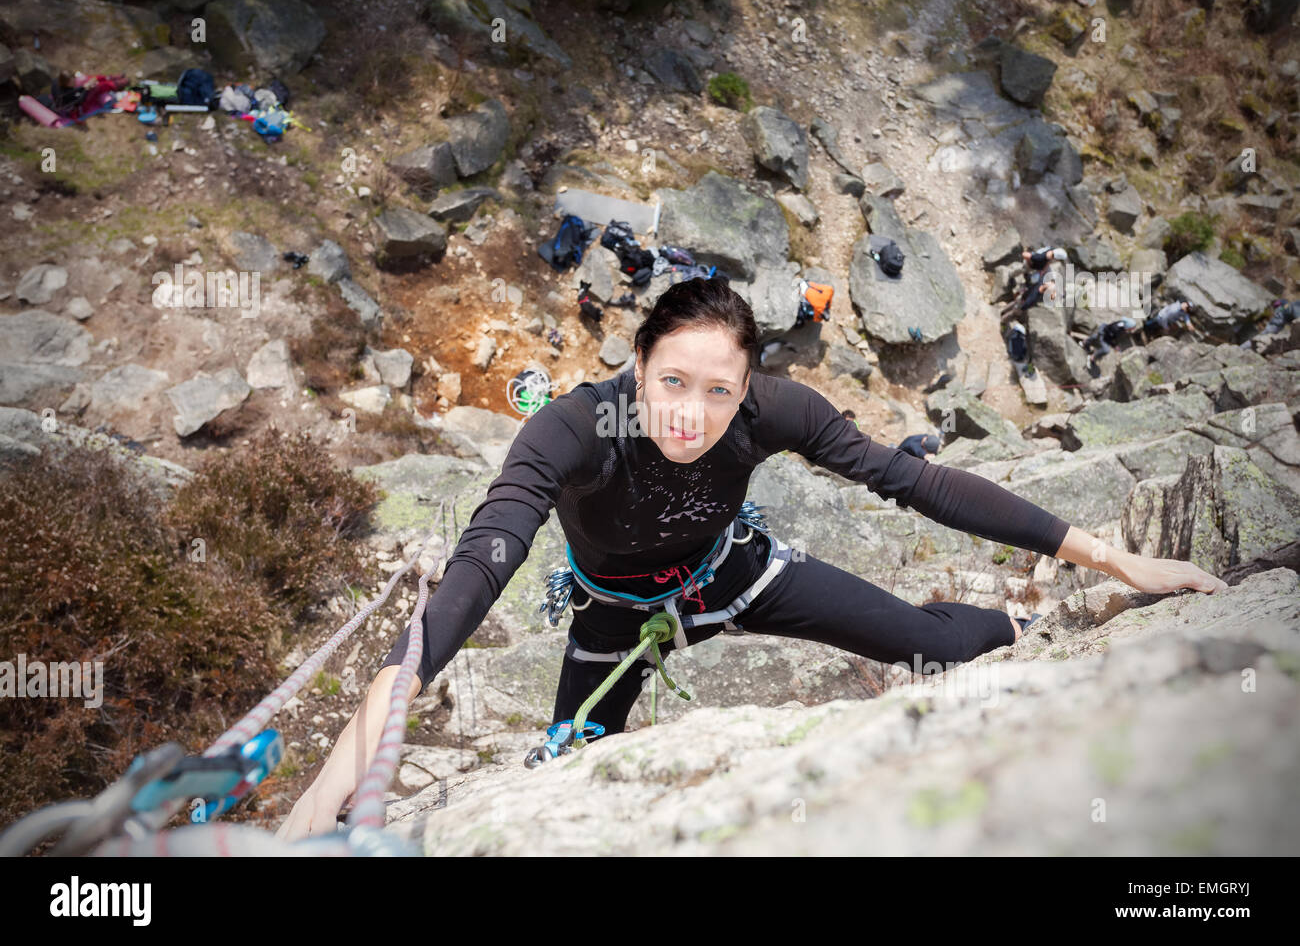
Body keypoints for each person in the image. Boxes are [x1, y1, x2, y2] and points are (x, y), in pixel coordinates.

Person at [275, 277, 1227, 840]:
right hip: (613, 616)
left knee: (923, 638)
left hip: (735, 573)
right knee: (568, 786)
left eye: (718, 391)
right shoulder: (570, 431)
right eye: (670, 383)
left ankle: (1029, 629)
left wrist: (1112, 563)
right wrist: (337, 776)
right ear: (636, 363)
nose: (690, 414)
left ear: (749, 389)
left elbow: (917, 484)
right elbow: (479, 570)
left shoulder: (780, 410)